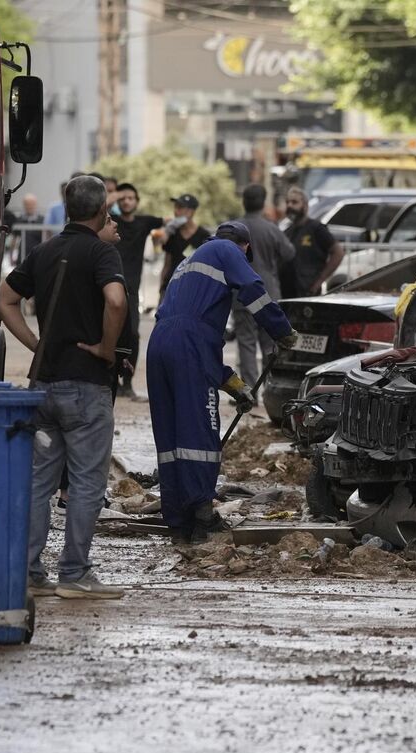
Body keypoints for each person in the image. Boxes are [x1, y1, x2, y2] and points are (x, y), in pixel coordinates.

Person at [0, 174, 129, 600]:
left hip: (45, 385)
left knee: (39, 482)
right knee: (88, 482)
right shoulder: (102, 253)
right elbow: (116, 300)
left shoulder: (45, 250)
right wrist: (107, 349)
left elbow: (4, 299)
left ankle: (30, 572)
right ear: (101, 210)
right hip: (86, 386)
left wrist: (37, 344)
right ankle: (74, 573)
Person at [147, 221, 298, 545]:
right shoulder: (228, 250)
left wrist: (236, 386)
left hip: (160, 342)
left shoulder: (190, 263)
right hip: (190, 343)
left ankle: (178, 520)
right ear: (244, 246)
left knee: (172, 434)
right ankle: (202, 513)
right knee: (199, 431)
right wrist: (281, 330)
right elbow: (254, 292)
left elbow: (203, 359)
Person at [231, 184, 293, 387]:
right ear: (263, 203)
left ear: (244, 202)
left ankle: (249, 390)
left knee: (246, 343)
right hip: (267, 294)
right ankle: (269, 388)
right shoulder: (271, 229)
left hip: (241, 295)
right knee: (269, 343)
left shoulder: (233, 229)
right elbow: (289, 253)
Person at [109, 183, 165, 401]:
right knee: (110, 332)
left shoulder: (144, 223)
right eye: (123, 198)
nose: (126, 201)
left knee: (132, 334)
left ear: (137, 201)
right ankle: (111, 380)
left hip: (131, 289)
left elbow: (169, 222)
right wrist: (114, 195)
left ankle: (128, 383)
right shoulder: (111, 222)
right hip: (109, 285)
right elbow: (98, 207)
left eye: (131, 197)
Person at [282, 186, 342, 296]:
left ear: (305, 206)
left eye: (294, 202)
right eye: (287, 202)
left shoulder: (316, 228)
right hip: (288, 292)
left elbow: (338, 252)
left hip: (308, 291)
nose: (289, 205)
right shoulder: (287, 232)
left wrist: (319, 282)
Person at [155, 194, 210, 296]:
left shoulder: (204, 235)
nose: (176, 211)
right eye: (175, 207)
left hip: (192, 289)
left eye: (180, 207)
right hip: (170, 287)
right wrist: (161, 289)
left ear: (191, 211)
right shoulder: (172, 233)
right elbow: (167, 264)